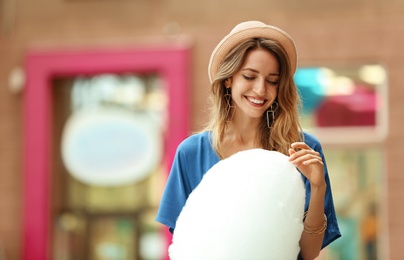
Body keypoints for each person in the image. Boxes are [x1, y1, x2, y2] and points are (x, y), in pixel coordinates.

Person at [156, 20, 341, 259]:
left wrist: (318, 187)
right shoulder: (192, 153)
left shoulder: (303, 150)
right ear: (228, 79)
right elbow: (184, 245)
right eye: (249, 76)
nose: (261, 90)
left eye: (272, 80)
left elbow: (309, 252)